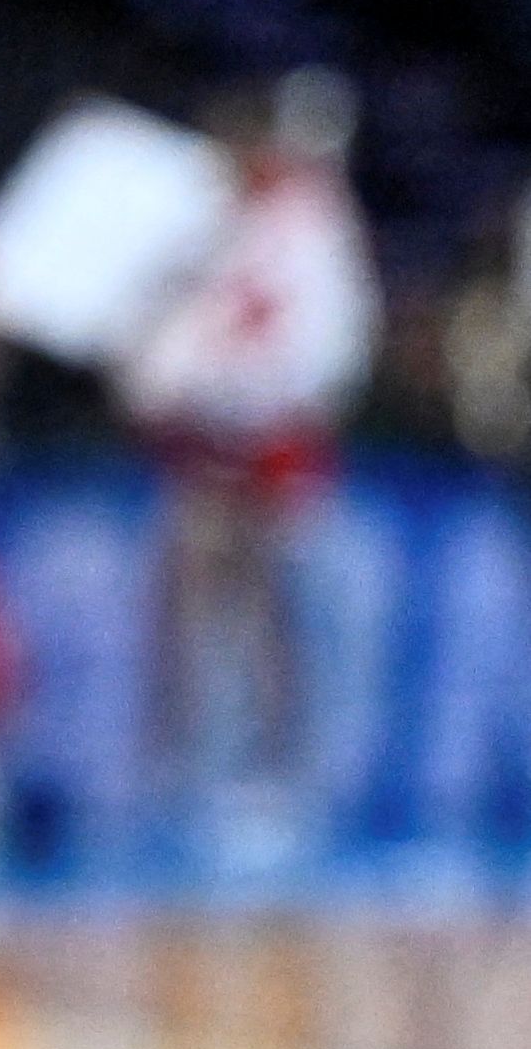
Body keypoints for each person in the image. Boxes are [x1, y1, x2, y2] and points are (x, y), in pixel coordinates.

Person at [116, 71, 378, 885]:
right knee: (189, 609)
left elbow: (325, 347)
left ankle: (277, 781)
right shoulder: (205, 222)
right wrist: (165, 381)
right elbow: (159, 330)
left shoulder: (308, 221)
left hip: (274, 451)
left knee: (276, 618)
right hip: (201, 450)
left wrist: (252, 405)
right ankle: (188, 774)